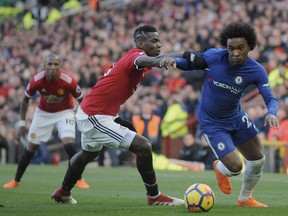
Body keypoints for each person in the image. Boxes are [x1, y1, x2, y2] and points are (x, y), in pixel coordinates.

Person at [51, 25, 184, 206]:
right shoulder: (135, 56)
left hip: (94, 112)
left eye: (159, 41)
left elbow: (159, 58)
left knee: (87, 155)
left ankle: (63, 191)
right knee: (143, 146)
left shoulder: (142, 57)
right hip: (95, 115)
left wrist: (190, 56)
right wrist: (161, 62)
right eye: (154, 41)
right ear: (140, 43)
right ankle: (154, 196)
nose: (159, 44)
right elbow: (146, 60)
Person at [174, 22, 280, 207]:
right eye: (231, 48)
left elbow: (270, 99)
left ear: (249, 47)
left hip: (235, 117)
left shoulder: (256, 70)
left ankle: (245, 198)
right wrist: (171, 61)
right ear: (226, 47)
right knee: (236, 167)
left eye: (241, 48)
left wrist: (271, 113)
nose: (235, 52)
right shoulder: (215, 56)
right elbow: (187, 64)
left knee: (257, 159)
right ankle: (220, 167)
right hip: (211, 122)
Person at [3, 53, 90, 189]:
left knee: (68, 144)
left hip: (64, 112)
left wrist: (86, 119)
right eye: (50, 64)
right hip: (43, 113)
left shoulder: (68, 80)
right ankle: (16, 180)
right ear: (45, 66)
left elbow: (81, 100)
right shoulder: (37, 80)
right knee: (31, 147)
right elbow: (25, 99)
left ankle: (79, 178)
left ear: (60, 66)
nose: (53, 67)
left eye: (56, 64)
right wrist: (21, 124)